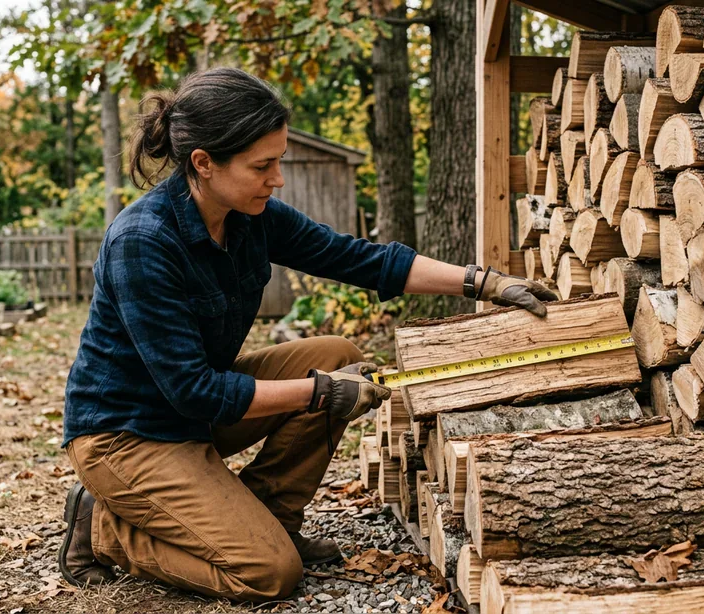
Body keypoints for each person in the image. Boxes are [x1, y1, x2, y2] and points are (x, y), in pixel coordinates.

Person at [58, 67, 556, 603]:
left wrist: (484, 283)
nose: (277, 179)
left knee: (335, 352)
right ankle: (104, 530)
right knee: (269, 574)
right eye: (263, 166)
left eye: (279, 161)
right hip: (128, 434)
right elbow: (195, 390)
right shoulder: (143, 241)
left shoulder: (250, 216)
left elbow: (359, 258)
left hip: (194, 416)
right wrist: (322, 390)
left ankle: (269, 518)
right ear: (203, 163)